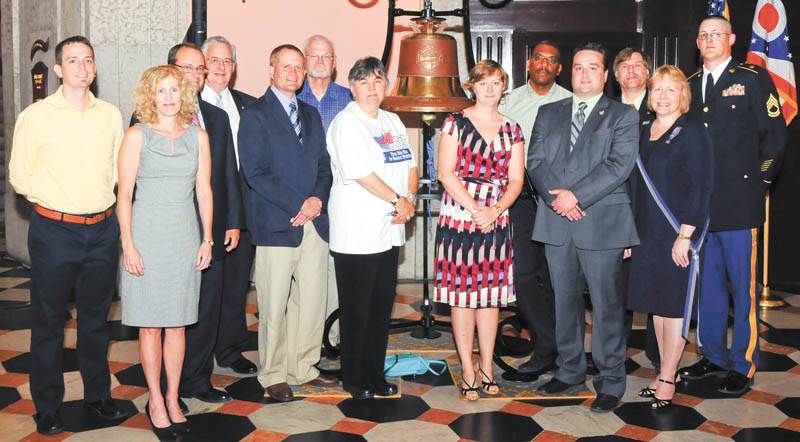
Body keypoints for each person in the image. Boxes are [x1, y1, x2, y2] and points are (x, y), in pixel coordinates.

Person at [9, 35, 129, 436]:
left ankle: (98, 398)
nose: (82, 67)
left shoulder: (111, 115)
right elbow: (19, 175)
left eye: (88, 60)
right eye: (73, 60)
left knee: (96, 322)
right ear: (59, 69)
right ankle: (47, 407)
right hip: (54, 231)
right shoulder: (37, 116)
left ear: (94, 68)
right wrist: (56, 202)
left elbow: (118, 171)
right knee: (49, 323)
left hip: (102, 230)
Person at [678, 15, 787, 395]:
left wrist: (760, 184)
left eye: (716, 34)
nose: (708, 40)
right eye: (703, 34)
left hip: (740, 203)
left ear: (732, 39)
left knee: (743, 288)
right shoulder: (688, 86)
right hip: (700, 210)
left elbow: (775, 138)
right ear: (697, 41)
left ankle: (743, 364)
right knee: (707, 288)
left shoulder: (753, 79)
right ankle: (713, 356)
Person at [529, 42, 639, 413]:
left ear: (606, 75)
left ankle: (610, 380)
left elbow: (618, 166)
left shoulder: (622, 115)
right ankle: (570, 370)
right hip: (556, 220)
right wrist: (556, 198)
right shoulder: (549, 112)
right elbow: (535, 160)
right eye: (578, 67)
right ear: (569, 72)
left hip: (603, 222)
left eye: (593, 68)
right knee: (564, 301)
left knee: (607, 306)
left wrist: (575, 196)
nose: (585, 74)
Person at [238, 44, 338, 402]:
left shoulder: (310, 114)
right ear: (271, 70)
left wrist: (317, 200)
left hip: (315, 224)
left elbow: (325, 165)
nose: (294, 73)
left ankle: (304, 366)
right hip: (277, 224)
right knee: (275, 303)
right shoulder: (256, 114)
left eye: (298, 67)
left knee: (311, 301)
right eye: (286, 66)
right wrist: (301, 203)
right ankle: (274, 373)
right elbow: (256, 173)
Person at [118, 65, 213, 437]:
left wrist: (206, 238)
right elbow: (124, 194)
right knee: (150, 327)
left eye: (175, 90)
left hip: (184, 237)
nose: (169, 97)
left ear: (184, 94)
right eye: (162, 91)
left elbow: (204, 190)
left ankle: (174, 397)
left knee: (178, 325)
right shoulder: (136, 135)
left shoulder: (199, 137)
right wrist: (127, 242)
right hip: (146, 235)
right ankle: (154, 398)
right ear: (150, 96)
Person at [326, 57, 417, 399]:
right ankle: (354, 377)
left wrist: (407, 199)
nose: (372, 88)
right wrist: (399, 201)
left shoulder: (392, 119)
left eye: (378, 81)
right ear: (352, 86)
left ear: (386, 86)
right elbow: (361, 173)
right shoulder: (346, 123)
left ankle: (375, 374)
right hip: (357, 231)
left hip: (390, 229)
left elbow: (409, 163)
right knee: (358, 308)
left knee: (381, 306)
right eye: (364, 82)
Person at [433, 60, 524, 400]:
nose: (489, 89)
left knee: (491, 297)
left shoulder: (513, 129)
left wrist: (495, 209)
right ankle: (468, 369)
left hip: (497, 219)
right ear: (471, 86)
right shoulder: (454, 123)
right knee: (462, 298)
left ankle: (488, 367)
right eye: (483, 82)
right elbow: (445, 173)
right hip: (460, 217)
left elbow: (516, 180)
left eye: (496, 82)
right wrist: (475, 209)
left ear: (504, 87)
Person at [626, 65, 714, 409]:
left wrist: (685, 234)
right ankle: (665, 370)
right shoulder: (643, 129)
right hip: (647, 231)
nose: (662, 96)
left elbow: (701, 186)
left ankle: (667, 376)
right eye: (657, 89)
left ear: (683, 96)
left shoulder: (693, 131)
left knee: (675, 304)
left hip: (678, 231)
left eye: (670, 90)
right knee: (658, 307)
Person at [167, 43, 243, 406]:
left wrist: (232, 222)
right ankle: (169, 387)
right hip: (170, 230)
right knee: (172, 312)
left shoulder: (216, 117)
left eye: (200, 69)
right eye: (188, 68)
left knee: (207, 307)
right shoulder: (151, 114)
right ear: (170, 69)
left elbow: (228, 172)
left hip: (211, 228)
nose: (196, 75)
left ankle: (196, 380)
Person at [498, 40, 570, 377]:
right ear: (529, 64)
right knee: (523, 274)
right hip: (520, 197)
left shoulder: (570, 101)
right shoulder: (508, 101)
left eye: (551, 60)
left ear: (558, 68)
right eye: (538, 58)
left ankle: (557, 347)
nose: (544, 64)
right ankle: (546, 343)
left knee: (555, 277)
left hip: (557, 198)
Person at [199, 35, 259, 375]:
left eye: (227, 62)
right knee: (206, 288)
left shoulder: (249, 105)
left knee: (236, 285)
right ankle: (198, 354)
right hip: (203, 213)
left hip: (244, 213)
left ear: (234, 68)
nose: (221, 67)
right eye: (215, 61)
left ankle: (231, 349)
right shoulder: (188, 105)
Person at [296, 34, 352, 350]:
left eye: (326, 56)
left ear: (334, 63)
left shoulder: (349, 99)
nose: (320, 61)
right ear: (305, 61)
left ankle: (330, 340)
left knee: (335, 272)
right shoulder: (291, 98)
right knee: (306, 277)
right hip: (302, 200)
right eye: (314, 56)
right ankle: (304, 342)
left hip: (341, 199)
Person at [612, 47, 659, 372]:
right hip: (615, 212)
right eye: (624, 65)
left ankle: (660, 358)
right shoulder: (606, 111)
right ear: (615, 75)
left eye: (638, 65)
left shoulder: (662, 108)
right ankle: (614, 358)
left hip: (655, 213)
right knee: (616, 291)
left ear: (648, 73)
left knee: (658, 288)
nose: (631, 70)